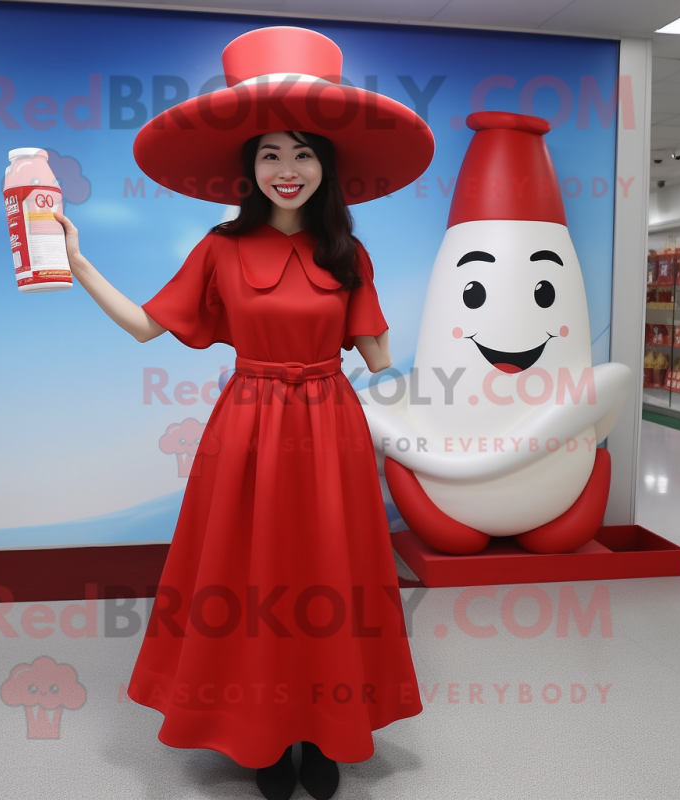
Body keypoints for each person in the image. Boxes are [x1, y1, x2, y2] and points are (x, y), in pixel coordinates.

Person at [54, 25, 434, 800]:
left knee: (331, 575)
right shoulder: (220, 248)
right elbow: (146, 326)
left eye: (302, 153)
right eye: (269, 154)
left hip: (329, 427)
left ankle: (324, 731)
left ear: (325, 165)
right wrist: (80, 262)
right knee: (250, 578)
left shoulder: (348, 255)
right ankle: (261, 732)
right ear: (248, 169)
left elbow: (383, 359)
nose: (286, 169)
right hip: (249, 427)